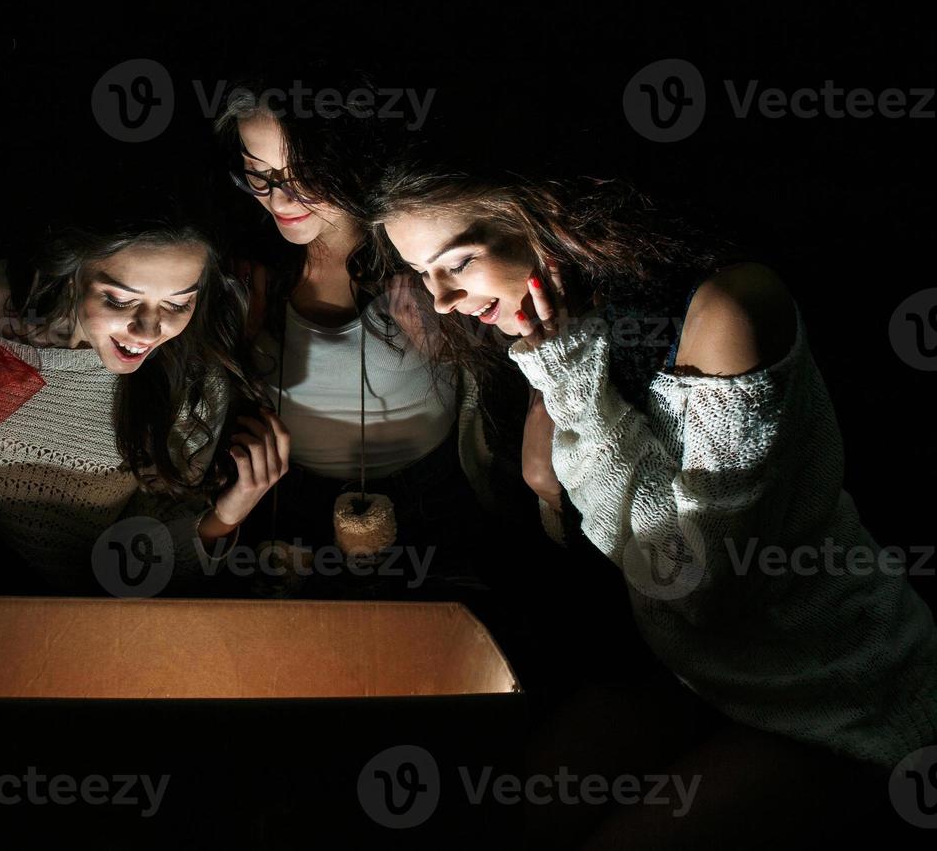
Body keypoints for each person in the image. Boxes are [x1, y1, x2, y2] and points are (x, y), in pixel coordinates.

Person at [373, 165, 937, 847]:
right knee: (517, 815)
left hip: (828, 690)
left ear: (539, 214)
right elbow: (554, 520)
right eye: (420, 271)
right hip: (686, 672)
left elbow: (695, 587)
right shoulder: (560, 319)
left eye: (458, 261)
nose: (440, 298)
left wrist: (570, 389)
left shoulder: (726, 307)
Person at [0, 157, 288, 594]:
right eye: (121, 300)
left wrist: (226, 516)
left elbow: (145, 569)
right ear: (73, 270)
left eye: (178, 304)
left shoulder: (189, 384)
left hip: (78, 619)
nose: (149, 331)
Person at [212, 75, 488, 601]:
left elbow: (509, 364)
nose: (280, 198)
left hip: (428, 491)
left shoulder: (423, 256)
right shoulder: (246, 272)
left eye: (305, 175)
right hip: (285, 496)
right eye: (259, 174)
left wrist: (452, 346)